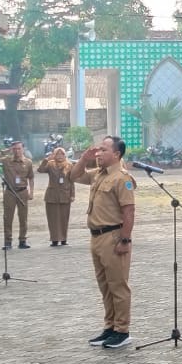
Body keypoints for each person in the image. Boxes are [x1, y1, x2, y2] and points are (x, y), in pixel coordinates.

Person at [68, 136, 136, 349]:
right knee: (105, 286)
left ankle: (122, 331)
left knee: (118, 286)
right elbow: (73, 176)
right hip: (96, 237)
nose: (98, 153)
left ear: (116, 154)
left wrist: (125, 240)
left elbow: (129, 212)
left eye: (103, 150)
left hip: (113, 236)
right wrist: (83, 159)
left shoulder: (121, 178)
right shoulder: (98, 174)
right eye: (97, 150)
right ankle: (110, 327)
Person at [0, 139, 35, 249]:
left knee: (23, 217)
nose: (17, 151)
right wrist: (3, 152)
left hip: (23, 191)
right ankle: (8, 242)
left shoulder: (28, 162)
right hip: (10, 192)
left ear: (23, 149)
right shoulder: (6, 160)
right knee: (8, 217)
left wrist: (31, 192)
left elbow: (31, 177)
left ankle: (22, 240)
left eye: (19, 148)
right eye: (14, 149)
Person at [37, 146, 76, 247]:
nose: (60, 156)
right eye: (57, 154)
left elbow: (72, 181)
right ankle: (54, 239)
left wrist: (72, 195)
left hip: (65, 194)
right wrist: (46, 160)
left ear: (65, 155)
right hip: (52, 195)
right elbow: (40, 170)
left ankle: (63, 238)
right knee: (53, 218)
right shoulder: (50, 164)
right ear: (54, 155)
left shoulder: (69, 165)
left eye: (62, 154)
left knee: (64, 217)